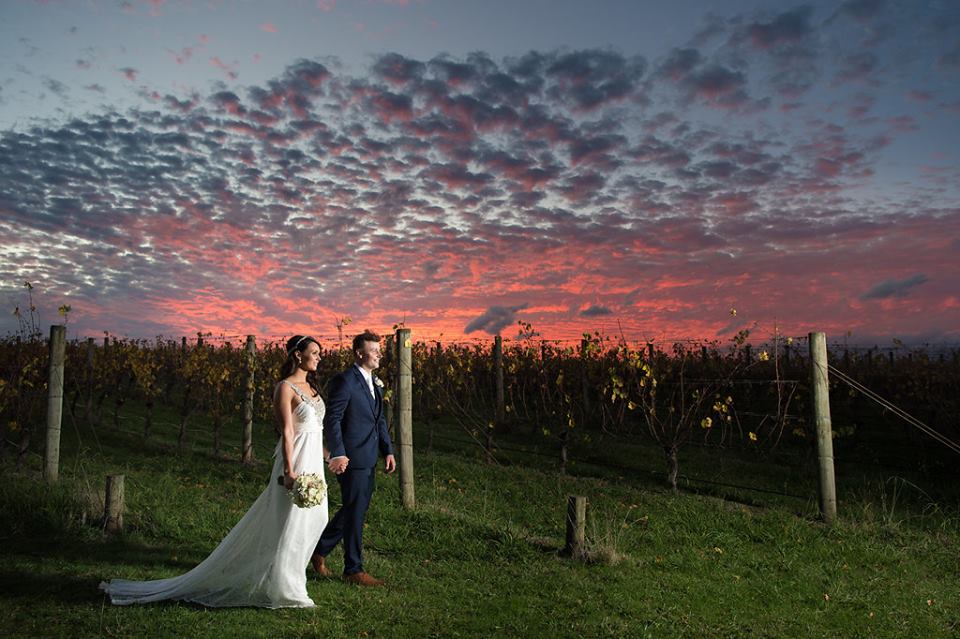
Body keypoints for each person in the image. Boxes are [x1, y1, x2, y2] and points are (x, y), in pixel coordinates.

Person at [99, 335, 333, 608]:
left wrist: (330, 457)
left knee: (316, 517)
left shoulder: (312, 388)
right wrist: (290, 471)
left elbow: (316, 429)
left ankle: (286, 579)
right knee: (290, 522)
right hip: (296, 461)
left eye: (319, 353)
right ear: (297, 355)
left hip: (315, 462)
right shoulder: (285, 388)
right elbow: (287, 432)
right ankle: (287, 588)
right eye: (314, 352)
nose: (318, 357)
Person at [311, 330, 395, 586]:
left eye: (379, 349)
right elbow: (333, 419)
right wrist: (338, 452)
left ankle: (318, 550)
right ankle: (353, 569)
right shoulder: (345, 381)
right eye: (374, 350)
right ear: (360, 353)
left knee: (354, 508)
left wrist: (387, 450)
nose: (379, 354)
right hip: (350, 458)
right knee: (355, 511)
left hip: (369, 456)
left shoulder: (374, 382)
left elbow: (378, 419)